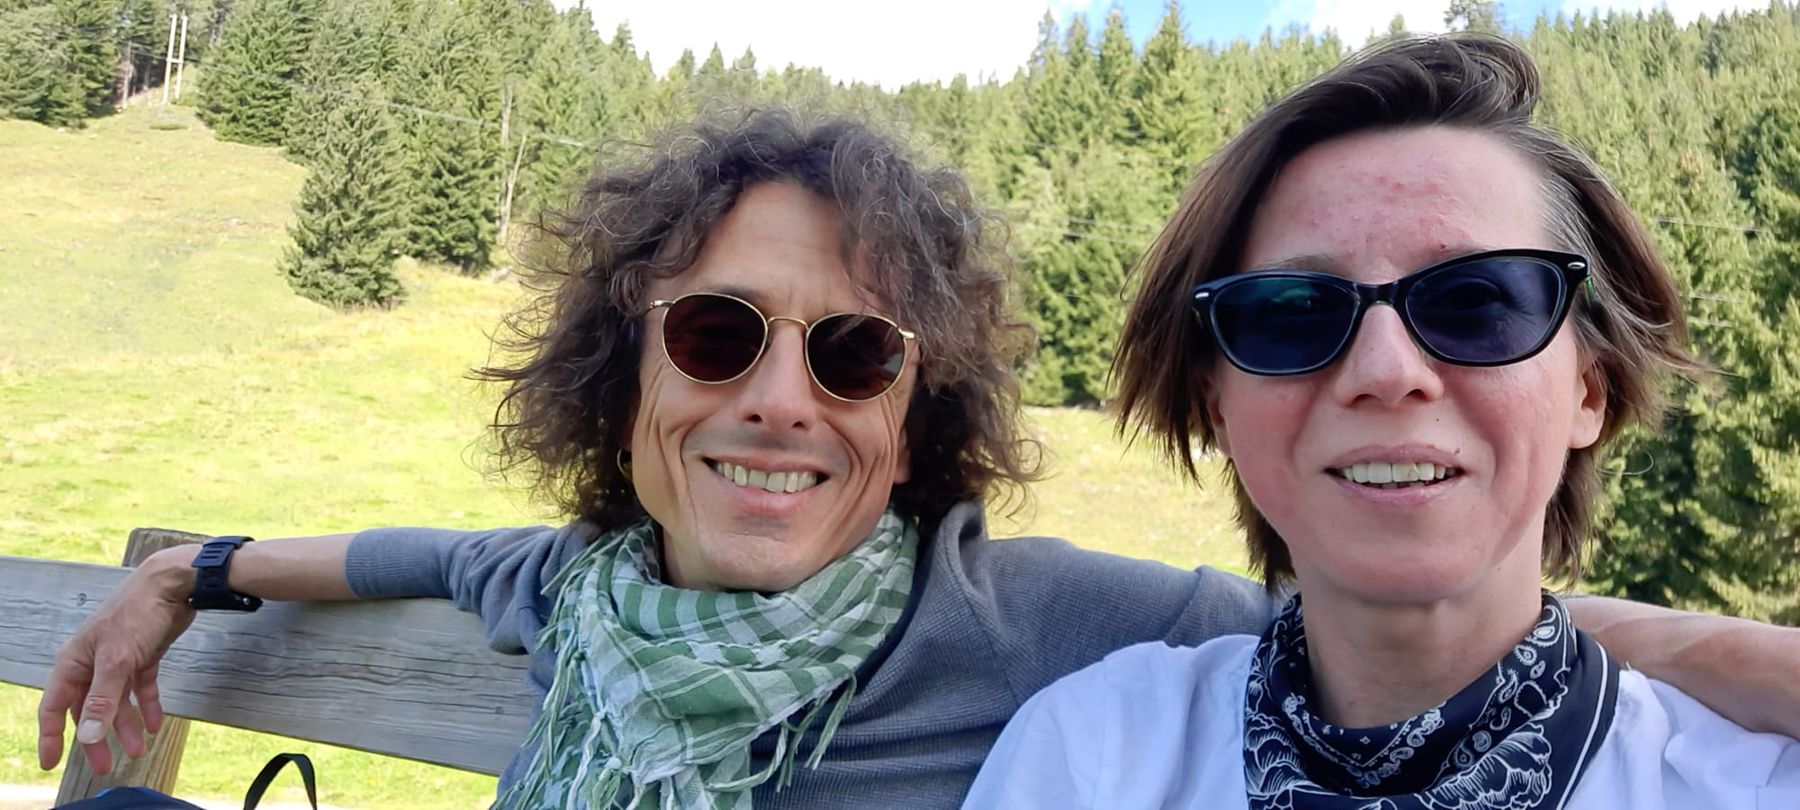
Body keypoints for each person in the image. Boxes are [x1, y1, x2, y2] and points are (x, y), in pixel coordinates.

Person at [34, 108, 1800, 809]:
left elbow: (1391, 615)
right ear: (625, 372)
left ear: (913, 418)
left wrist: (1717, 659)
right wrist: (186, 574)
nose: (779, 399)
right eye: (720, 332)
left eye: (856, 352)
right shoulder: (574, 587)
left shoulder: (1022, 633)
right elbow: (388, 555)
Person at [965, 34, 1800, 809]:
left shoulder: (1751, 786)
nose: (1386, 372)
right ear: (1218, 403)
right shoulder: (1090, 759)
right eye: (1293, 312)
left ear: (1590, 388)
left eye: (1476, 301)